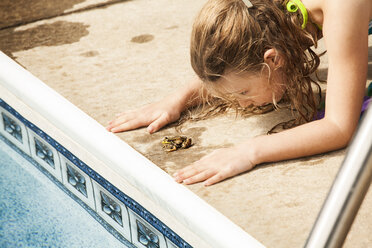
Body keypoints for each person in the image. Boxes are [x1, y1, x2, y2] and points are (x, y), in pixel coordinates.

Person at [106, 0, 371, 186]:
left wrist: (248, 152)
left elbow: (338, 127)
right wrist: (178, 98)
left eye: (244, 92)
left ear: (273, 59)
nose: (243, 103)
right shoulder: (258, 12)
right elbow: (240, 59)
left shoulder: (342, 7)